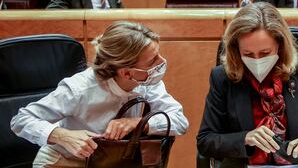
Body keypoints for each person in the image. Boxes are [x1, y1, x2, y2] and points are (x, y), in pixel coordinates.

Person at [11, 20, 189, 167]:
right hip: (66, 161)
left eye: (158, 55)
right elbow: (21, 120)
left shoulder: (147, 80)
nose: (161, 63)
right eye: (152, 61)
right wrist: (62, 135)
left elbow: (180, 121)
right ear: (126, 73)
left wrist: (137, 123)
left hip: (113, 162)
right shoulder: (80, 88)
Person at [197, 2, 298, 167]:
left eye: (265, 53)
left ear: (280, 46)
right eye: (247, 54)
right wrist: (245, 138)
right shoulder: (223, 78)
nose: (256, 60)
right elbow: (205, 140)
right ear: (236, 50)